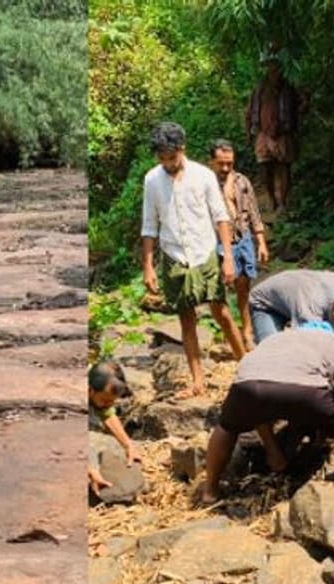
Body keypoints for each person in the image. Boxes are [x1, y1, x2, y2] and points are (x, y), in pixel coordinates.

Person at [197, 326, 334, 504]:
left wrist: (272, 449)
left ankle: (210, 491)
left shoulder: (275, 339)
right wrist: (327, 429)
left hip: (249, 385)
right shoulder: (332, 341)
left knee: (226, 426)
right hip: (304, 389)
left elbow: (263, 403)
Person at [140, 122, 248, 398]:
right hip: (174, 256)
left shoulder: (202, 176)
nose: (167, 164)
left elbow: (220, 217)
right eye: (162, 159)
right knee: (186, 320)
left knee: (221, 312)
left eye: (171, 158)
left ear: (182, 150)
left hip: (204, 252)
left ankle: (247, 366)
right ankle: (198, 380)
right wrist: (148, 266)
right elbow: (149, 226)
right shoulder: (152, 180)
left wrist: (227, 259)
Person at [209, 139, 270, 348]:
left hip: (242, 238)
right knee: (220, 289)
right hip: (216, 241)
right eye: (221, 163)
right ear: (212, 162)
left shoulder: (242, 181)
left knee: (244, 285)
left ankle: (247, 331)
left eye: (229, 163)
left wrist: (261, 242)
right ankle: (229, 332)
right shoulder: (206, 184)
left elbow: (253, 212)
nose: (225, 168)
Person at [247, 269, 334, 353]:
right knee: (273, 353)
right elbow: (308, 350)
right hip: (266, 306)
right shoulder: (310, 310)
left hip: (293, 297)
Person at [246, 53, 309, 213]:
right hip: (263, 133)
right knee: (265, 167)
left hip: (284, 132)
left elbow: (302, 105)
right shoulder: (260, 89)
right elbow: (250, 111)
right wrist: (248, 132)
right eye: (270, 66)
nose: (273, 69)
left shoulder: (289, 88)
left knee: (284, 167)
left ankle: (283, 202)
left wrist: (304, 105)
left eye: (276, 66)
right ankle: (271, 199)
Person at [88, 360, 139, 497]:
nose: (109, 405)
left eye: (113, 401)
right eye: (105, 400)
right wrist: (91, 469)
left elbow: (108, 415)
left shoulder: (98, 397)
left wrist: (128, 445)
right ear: (90, 390)